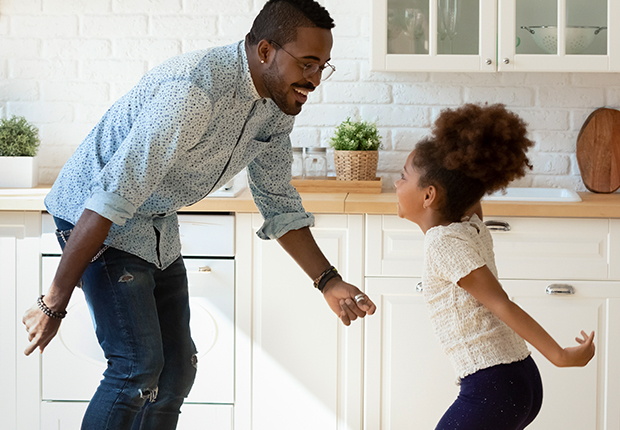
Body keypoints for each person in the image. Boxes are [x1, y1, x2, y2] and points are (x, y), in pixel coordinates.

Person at [21, 1, 376, 428]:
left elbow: (278, 200)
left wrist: (328, 281)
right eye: (307, 64)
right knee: (136, 368)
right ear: (265, 51)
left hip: (154, 217)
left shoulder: (276, 106)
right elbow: (111, 197)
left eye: (323, 67)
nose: (315, 80)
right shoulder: (193, 92)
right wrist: (53, 304)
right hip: (97, 217)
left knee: (177, 371)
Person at [394, 103, 595, 430]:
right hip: (517, 377)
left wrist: (559, 355)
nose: (396, 184)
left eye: (403, 177)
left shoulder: (444, 243)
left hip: (494, 386)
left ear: (429, 195)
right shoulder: (471, 223)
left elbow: (501, 303)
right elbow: (471, 188)